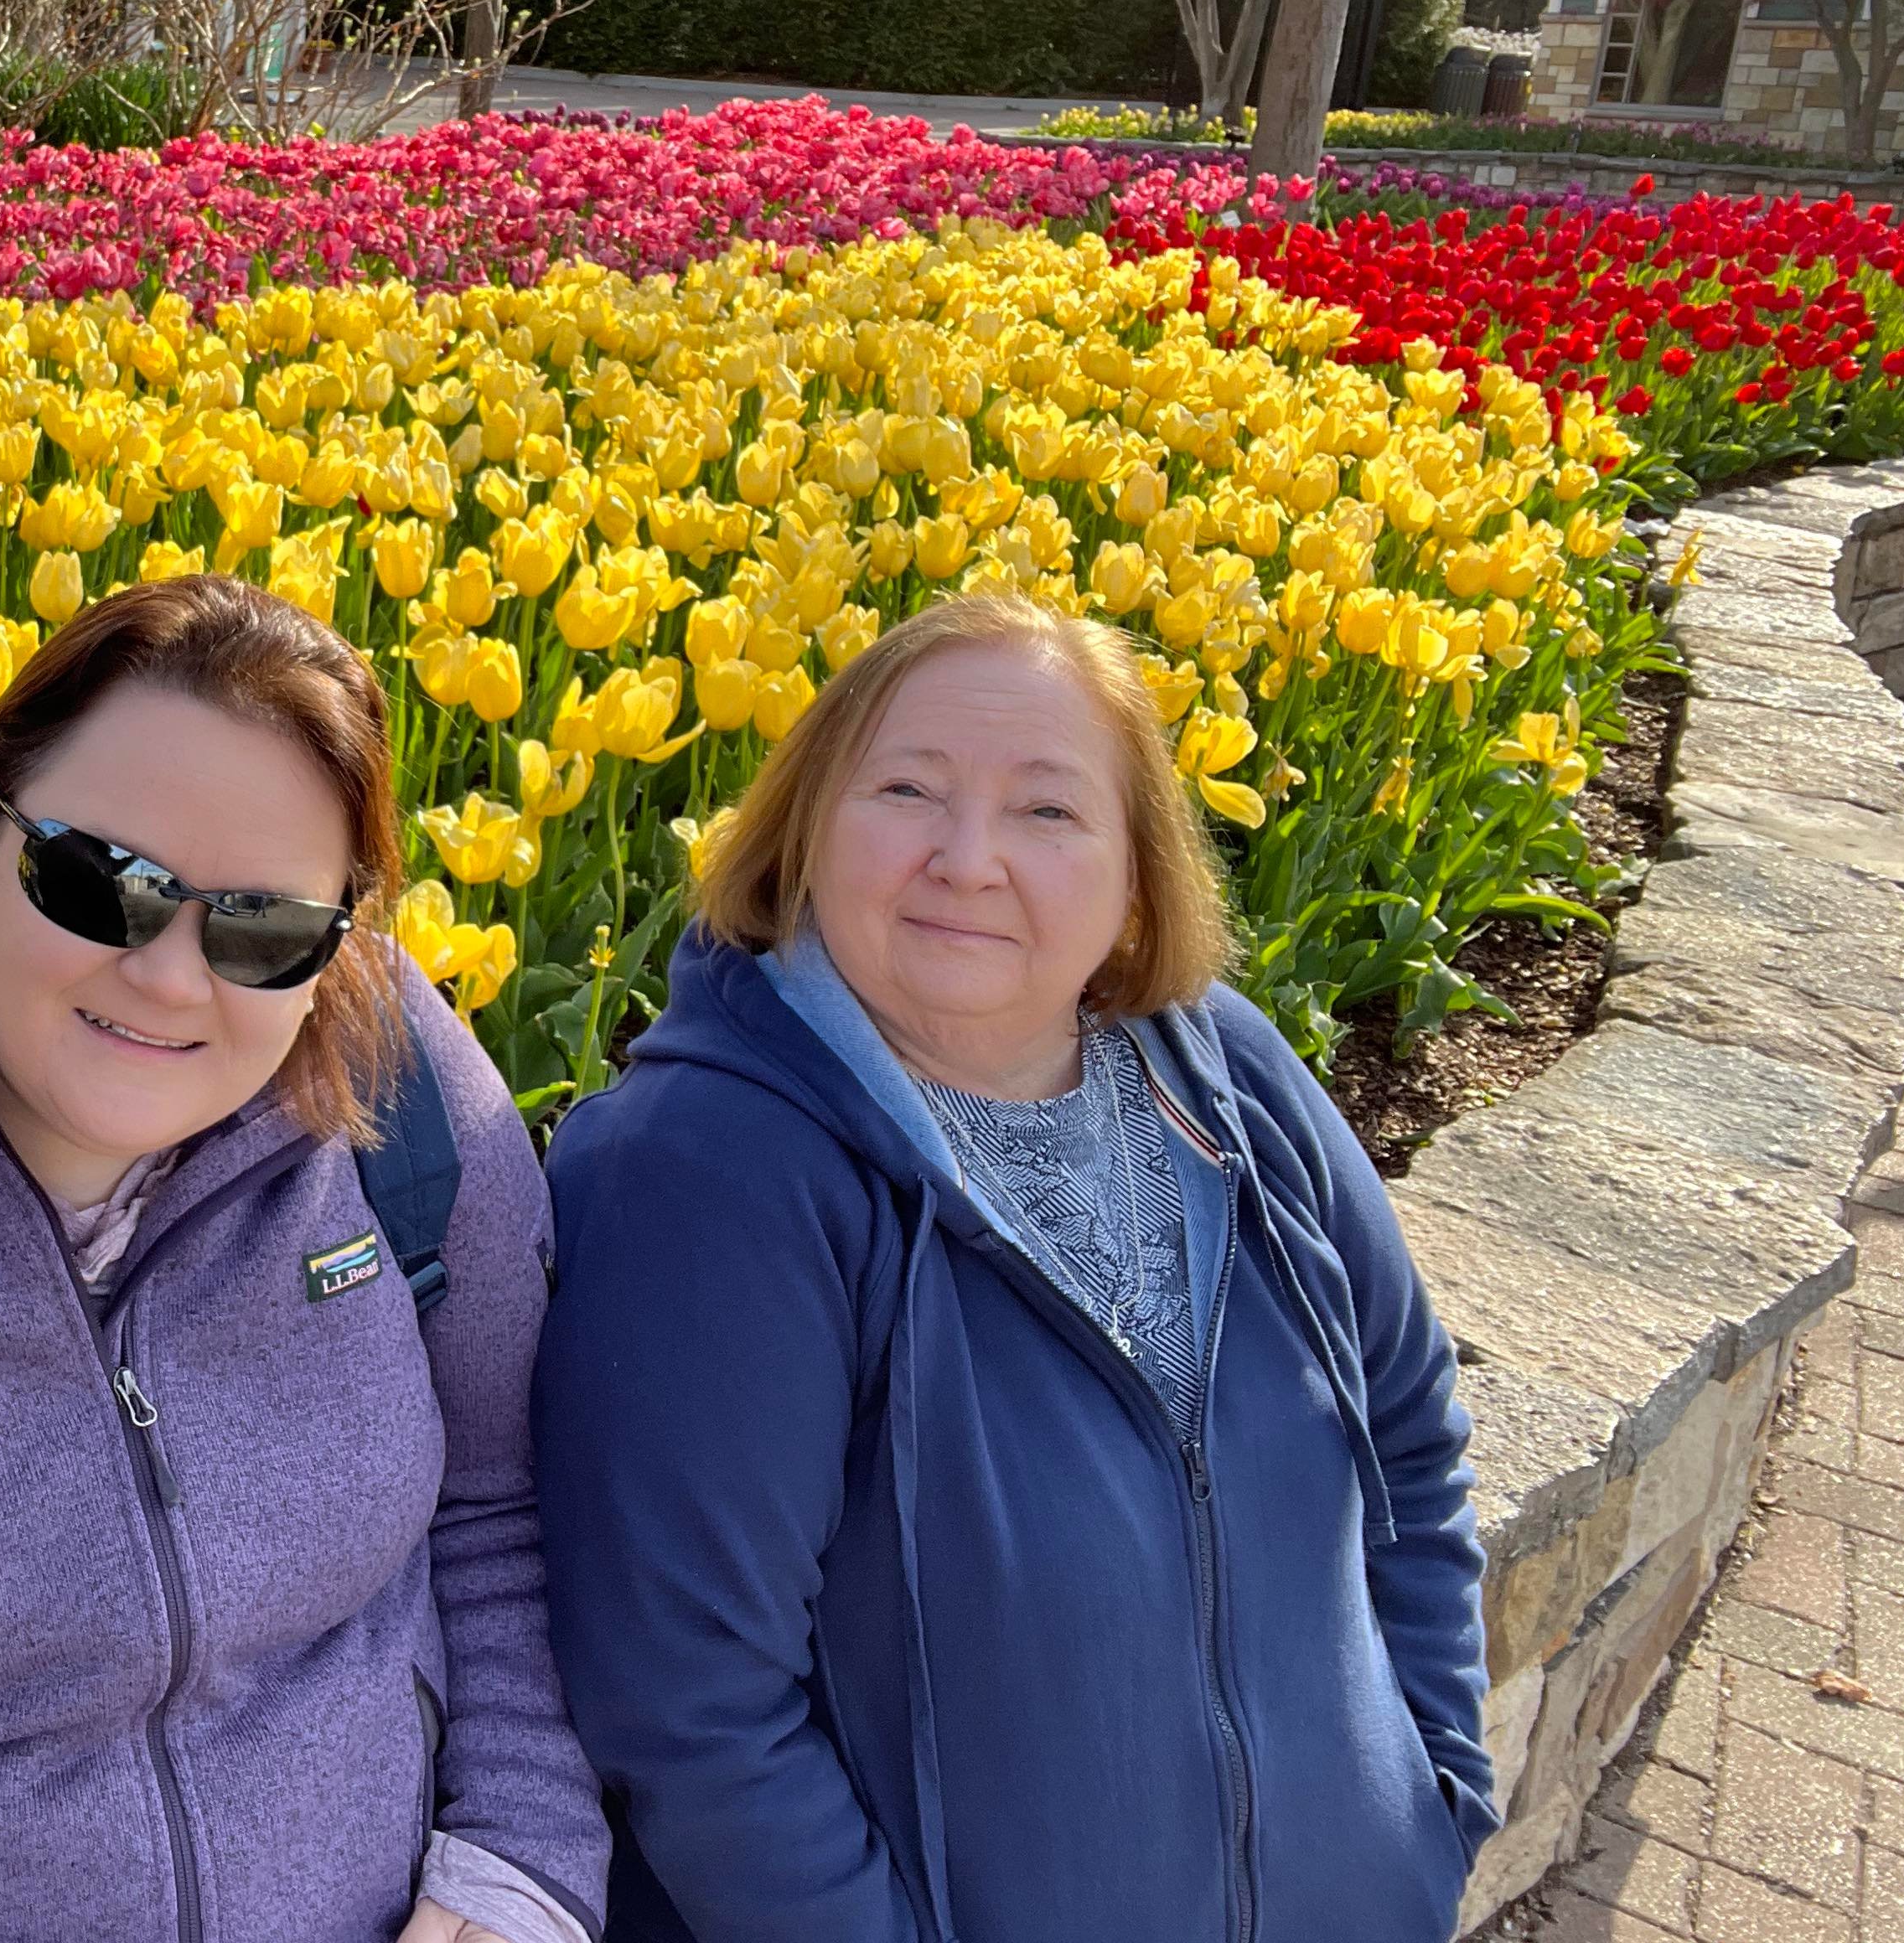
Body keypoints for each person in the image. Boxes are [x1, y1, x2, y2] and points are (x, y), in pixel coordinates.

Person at [536, 589, 1495, 1943]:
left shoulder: (1226, 1074)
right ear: (805, 828)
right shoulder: (706, 1175)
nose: (969, 858)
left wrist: (1432, 1798)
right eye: (907, 790)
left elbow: (1407, 1432)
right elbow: (692, 1712)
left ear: (1135, 872)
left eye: (1048, 809)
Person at [0, 576, 608, 1943]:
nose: (174, 979)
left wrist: (515, 1863)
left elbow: (501, 1505)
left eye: (263, 928)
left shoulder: (403, 1095)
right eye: (100, 882)